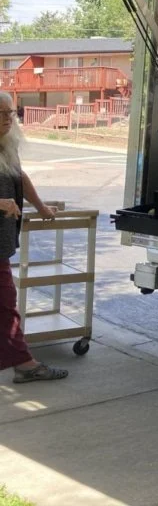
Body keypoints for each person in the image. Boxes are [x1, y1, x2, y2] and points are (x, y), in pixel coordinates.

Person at [0, 92, 67, 385]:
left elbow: (20, 176)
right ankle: (25, 364)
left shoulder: (6, 145)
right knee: (6, 303)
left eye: (11, 113)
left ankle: (23, 363)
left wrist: (40, 206)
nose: (8, 119)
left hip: (2, 241)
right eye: (1, 113)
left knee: (5, 303)